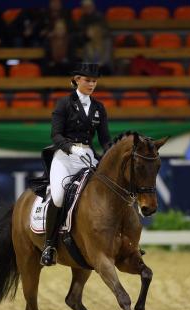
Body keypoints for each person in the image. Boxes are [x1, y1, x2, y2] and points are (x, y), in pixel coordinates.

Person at [40, 62, 111, 266]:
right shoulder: (64, 103)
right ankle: (49, 245)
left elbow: (105, 138)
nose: (91, 84)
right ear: (77, 80)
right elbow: (55, 135)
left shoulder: (99, 107)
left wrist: (110, 153)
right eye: (88, 80)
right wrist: (71, 148)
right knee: (60, 196)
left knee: (107, 191)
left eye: (94, 81)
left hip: (88, 156)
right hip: (65, 156)